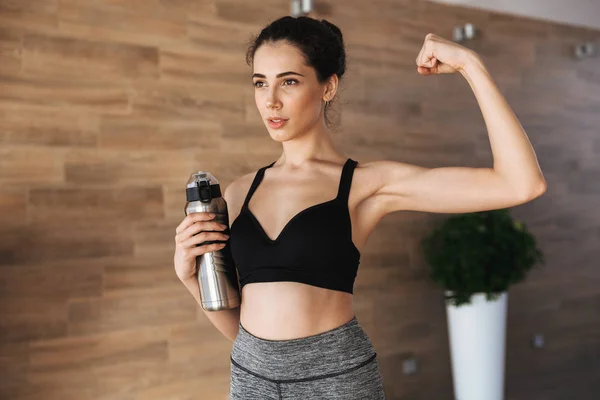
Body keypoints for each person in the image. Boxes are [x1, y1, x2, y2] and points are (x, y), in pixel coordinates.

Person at [173, 15, 546, 400]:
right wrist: (189, 276)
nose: (270, 101)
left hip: (334, 379)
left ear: (328, 87)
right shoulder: (237, 194)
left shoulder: (366, 185)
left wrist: (472, 66)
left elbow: (521, 183)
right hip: (251, 378)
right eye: (260, 83)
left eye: (288, 81)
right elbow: (239, 326)